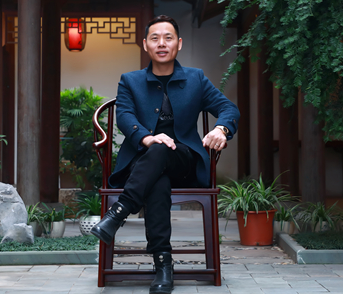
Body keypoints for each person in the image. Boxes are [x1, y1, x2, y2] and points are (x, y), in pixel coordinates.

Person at [91, 15, 239, 294]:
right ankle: (163, 266)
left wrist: (221, 129)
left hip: (184, 162)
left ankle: (118, 213)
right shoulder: (130, 81)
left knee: (162, 152)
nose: (162, 43)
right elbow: (124, 116)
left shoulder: (196, 78)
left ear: (178, 44)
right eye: (155, 38)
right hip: (143, 162)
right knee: (157, 180)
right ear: (145, 44)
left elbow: (228, 108)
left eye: (168, 38)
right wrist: (148, 138)